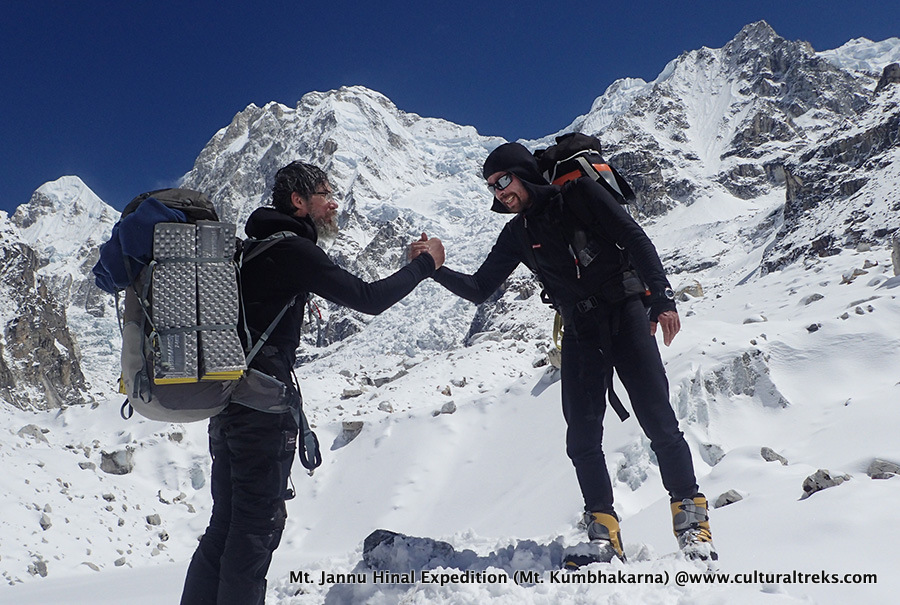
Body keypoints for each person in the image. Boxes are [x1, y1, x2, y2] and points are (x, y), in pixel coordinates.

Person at [412, 142, 716, 563]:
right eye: (492, 187)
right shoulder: (517, 233)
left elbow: (634, 237)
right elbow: (481, 288)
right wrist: (433, 268)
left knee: (658, 418)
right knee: (582, 436)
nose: (499, 192)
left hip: (625, 312)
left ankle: (692, 524)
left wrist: (662, 298)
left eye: (503, 180)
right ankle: (603, 533)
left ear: (523, 172)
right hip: (579, 328)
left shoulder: (579, 196)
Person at [180, 161, 444, 604]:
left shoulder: (251, 251)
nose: (334, 202)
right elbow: (368, 299)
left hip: (228, 409)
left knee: (225, 527)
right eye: (324, 193)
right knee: (254, 531)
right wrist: (425, 266)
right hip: (262, 413)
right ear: (298, 202)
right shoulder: (292, 251)